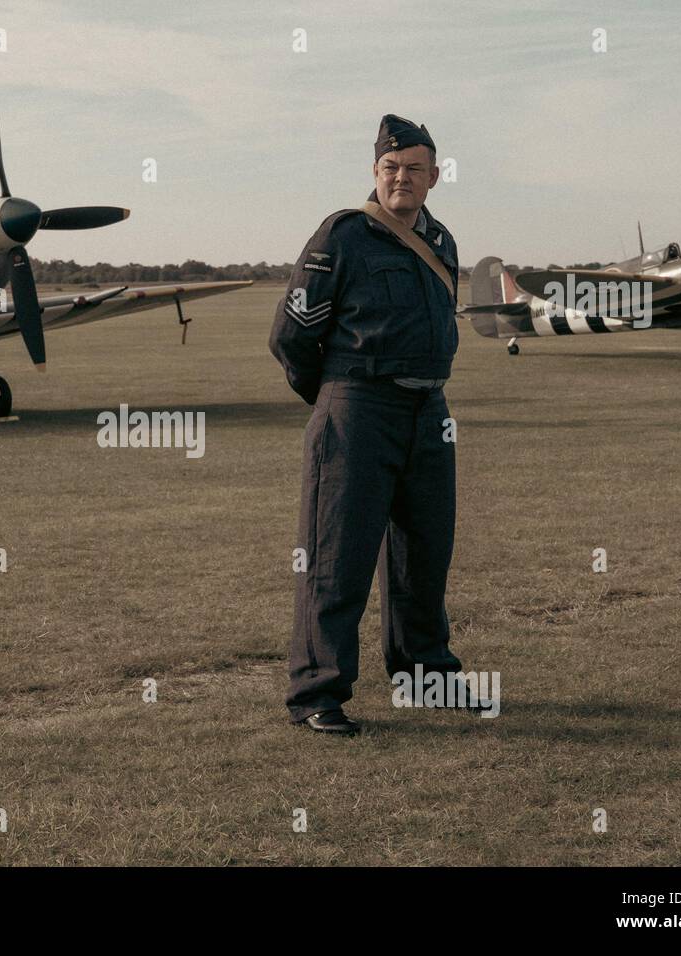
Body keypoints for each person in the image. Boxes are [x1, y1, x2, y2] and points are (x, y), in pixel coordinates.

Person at [269, 114, 470, 735]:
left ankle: (425, 676)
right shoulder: (344, 237)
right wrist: (336, 400)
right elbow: (291, 336)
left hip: (429, 410)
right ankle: (319, 693)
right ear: (374, 173)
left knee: (424, 554)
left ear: (435, 176)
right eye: (390, 168)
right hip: (359, 406)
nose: (401, 178)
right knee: (338, 555)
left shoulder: (441, 241)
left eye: (414, 168)